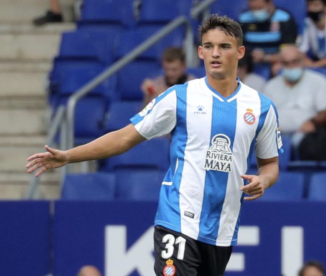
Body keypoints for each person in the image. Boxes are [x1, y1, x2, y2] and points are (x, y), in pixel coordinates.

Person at [26, 15, 282, 276]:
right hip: (178, 218)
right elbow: (125, 137)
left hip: (222, 228)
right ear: (200, 52)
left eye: (224, 47)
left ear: (240, 52)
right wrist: (69, 155)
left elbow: (270, 164)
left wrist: (265, 180)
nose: (215, 53)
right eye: (208, 46)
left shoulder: (261, 107)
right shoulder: (178, 97)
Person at [263, 45, 326, 146]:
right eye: (286, 63)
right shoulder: (270, 86)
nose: (291, 66)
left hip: (306, 135)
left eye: (295, 62)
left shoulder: (319, 81)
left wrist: (313, 123)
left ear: (303, 61)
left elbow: (325, 112)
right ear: (281, 65)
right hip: (275, 135)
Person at [239, 0, 297, 65]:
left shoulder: (284, 18)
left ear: (270, 3)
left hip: (277, 60)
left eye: (259, 8)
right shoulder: (243, 19)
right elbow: (239, 46)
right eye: (252, 8)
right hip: (250, 62)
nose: (256, 12)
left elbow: (289, 51)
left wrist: (266, 58)